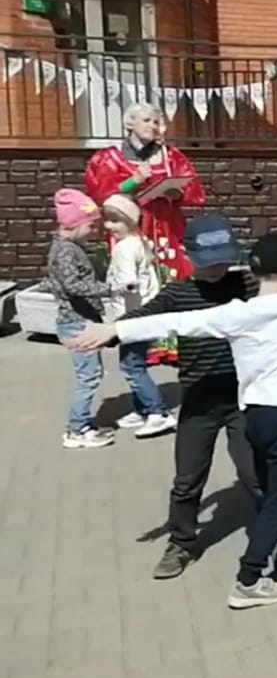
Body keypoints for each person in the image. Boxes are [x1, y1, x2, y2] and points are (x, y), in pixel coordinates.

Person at [70, 234, 277, 608]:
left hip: (253, 416)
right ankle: (249, 579)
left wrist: (114, 330)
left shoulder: (236, 313)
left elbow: (178, 322)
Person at [111, 215, 277, 580]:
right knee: (187, 479)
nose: (217, 268)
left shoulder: (245, 283)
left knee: (256, 475)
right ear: (188, 254)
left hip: (241, 399)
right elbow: (145, 317)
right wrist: (109, 332)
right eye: (209, 261)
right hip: (199, 400)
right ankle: (181, 542)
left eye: (223, 260)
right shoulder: (176, 294)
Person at [83, 103, 206, 282]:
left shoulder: (170, 156)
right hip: (130, 225)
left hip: (166, 225)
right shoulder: (110, 157)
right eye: (146, 120)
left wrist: (177, 194)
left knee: (170, 272)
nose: (152, 126)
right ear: (130, 124)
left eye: (155, 122)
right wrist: (134, 181)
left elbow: (193, 188)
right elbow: (102, 193)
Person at [101, 193, 176, 438]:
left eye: (115, 221)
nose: (109, 226)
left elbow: (128, 281)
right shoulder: (139, 242)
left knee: (131, 367)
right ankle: (143, 407)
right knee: (135, 363)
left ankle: (158, 412)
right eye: (107, 220)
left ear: (131, 221)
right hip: (143, 314)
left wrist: (116, 288)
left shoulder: (125, 248)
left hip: (132, 316)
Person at [47, 188, 115, 450]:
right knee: (88, 377)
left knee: (90, 374)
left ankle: (81, 425)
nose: (93, 230)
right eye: (90, 225)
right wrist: (110, 289)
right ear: (73, 224)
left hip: (78, 320)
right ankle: (76, 429)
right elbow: (73, 286)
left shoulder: (68, 248)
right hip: (76, 322)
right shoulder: (66, 251)